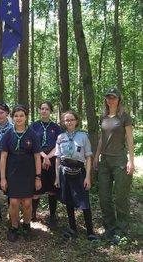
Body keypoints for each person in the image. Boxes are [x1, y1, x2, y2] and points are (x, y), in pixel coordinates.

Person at [93, 87, 135, 244]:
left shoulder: (124, 117)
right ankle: (109, 228)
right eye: (108, 97)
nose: (111, 100)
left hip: (120, 161)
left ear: (119, 99)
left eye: (113, 97)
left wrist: (131, 160)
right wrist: (97, 155)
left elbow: (130, 139)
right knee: (104, 197)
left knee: (120, 197)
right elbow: (101, 139)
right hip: (105, 162)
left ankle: (122, 230)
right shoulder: (103, 117)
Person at [0, 104, 42, 242]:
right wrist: (3, 178)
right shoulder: (8, 134)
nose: (18, 118)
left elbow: (37, 157)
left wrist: (38, 177)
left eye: (21, 115)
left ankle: (27, 226)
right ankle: (14, 227)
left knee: (27, 203)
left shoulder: (32, 134)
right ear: (12, 117)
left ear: (26, 117)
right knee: (14, 202)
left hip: (28, 172)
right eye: (16, 116)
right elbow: (3, 157)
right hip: (12, 172)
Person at [55, 110, 97, 241]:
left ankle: (90, 231)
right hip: (65, 172)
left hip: (79, 172)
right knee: (68, 200)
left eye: (71, 119)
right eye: (66, 120)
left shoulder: (83, 136)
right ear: (63, 122)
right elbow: (57, 158)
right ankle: (72, 228)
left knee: (84, 201)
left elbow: (88, 157)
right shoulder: (60, 137)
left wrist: (88, 177)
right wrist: (57, 177)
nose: (69, 122)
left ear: (77, 121)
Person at [30, 102, 61, 228]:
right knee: (37, 188)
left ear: (51, 111)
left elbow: (58, 144)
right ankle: (32, 213)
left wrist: (48, 157)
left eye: (47, 109)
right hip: (38, 157)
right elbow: (32, 143)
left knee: (52, 190)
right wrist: (43, 156)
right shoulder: (34, 126)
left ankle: (52, 216)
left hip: (52, 159)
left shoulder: (56, 127)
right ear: (39, 110)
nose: (44, 111)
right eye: (42, 108)